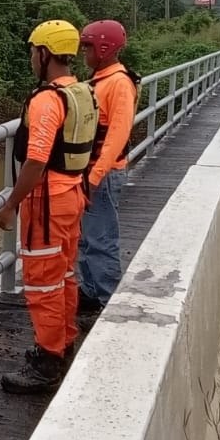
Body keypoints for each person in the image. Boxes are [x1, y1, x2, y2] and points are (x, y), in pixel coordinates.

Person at [0, 20, 98, 394]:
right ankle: (63, 341)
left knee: (41, 283)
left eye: (32, 51)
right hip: (72, 194)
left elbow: (35, 162)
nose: (29, 58)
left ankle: (48, 362)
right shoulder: (82, 92)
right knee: (65, 275)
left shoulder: (47, 101)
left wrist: (10, 205)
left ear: (45, 54)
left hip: (47, 204)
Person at [75, 20, 140, 329]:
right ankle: (89, 291)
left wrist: (95, 175)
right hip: (89, 173)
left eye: (87, 46)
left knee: (101, 239)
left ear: (104, 47)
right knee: (87, 238)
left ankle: (108, 301)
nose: (83, 52)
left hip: (102, 174)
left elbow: (117, 133)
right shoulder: (100, 78)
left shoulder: (119, 83)